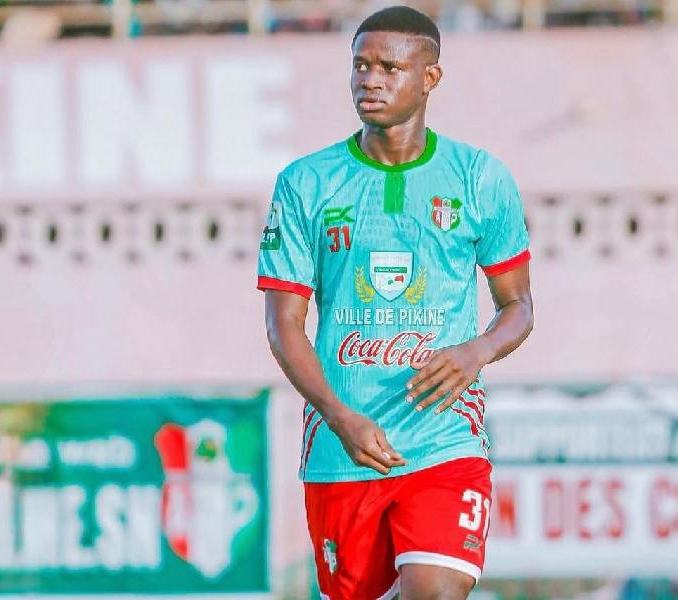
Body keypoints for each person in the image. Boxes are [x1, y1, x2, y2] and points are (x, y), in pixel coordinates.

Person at [257, 6, 534, 599]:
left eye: (389, 67)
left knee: (433, 591)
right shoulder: (306, 183)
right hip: (342, 449)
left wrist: (476, 352)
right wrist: (338, 414)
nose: (370, 80)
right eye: (360, 65)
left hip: (445, 440)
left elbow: (519, 307)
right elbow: (284, 325)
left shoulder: (478, 178)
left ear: (430, 77)